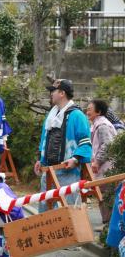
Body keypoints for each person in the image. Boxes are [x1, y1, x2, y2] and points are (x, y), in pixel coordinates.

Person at [34, 79, 92, 213]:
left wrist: (76, 159)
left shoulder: (77, 115)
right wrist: (40, 159)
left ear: (62, 93)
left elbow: (85, 141)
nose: (50, 94)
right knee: (44, 209)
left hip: (68, 170)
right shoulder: (51, 115)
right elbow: (44, 140)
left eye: (52, 91)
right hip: (49, 169)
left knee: (71, 209)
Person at [86, 99, 117, 226]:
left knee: (106, 196)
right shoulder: (97, 124)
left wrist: (97, 161)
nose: (87, 112)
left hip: (107, 168)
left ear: (98, 112)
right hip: (103, 168)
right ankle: (106, 225)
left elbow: (107, 145)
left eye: (89, 109)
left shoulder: (103, 125)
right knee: (102, 196)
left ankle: (108, 225)